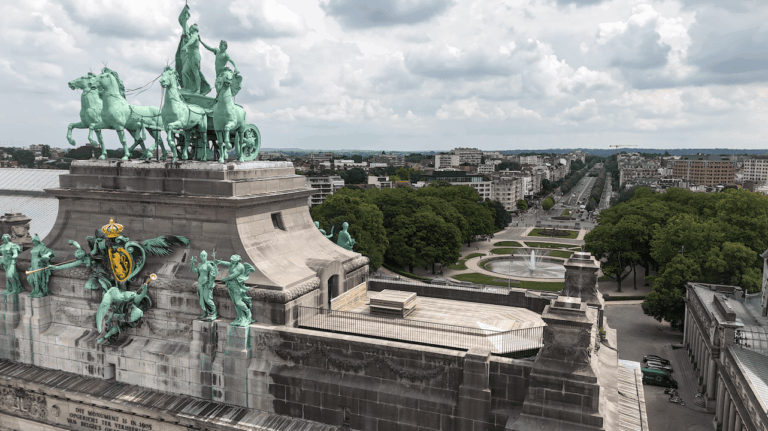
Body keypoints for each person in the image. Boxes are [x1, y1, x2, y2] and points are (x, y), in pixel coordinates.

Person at [217, 255, 255, 327]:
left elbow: (233, 276)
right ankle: (241, 318)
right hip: (231, 286)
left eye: (233, 261)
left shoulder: (240, 267)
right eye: (231, 260)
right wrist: (219, 261)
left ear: (237, 261)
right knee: (235, 303)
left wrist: (225, 279)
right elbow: (227, 263)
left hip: (237, 286)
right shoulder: (233, 264)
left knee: (238, 302)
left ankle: (248, 313)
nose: (231, 262)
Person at [191, 250, 218, 320]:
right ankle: (206, 312)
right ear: (200, 256)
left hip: (206, 284)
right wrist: (192, 265)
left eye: (204, 256)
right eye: (202, 256)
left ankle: (214, 312)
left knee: (207, 299)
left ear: (206, 256)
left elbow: (213, 273)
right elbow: (195, 271)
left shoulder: (208, 265)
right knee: (202, 299)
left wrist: (210, 282)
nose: (203, 257)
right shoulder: (200, 265)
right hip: (200, 284)